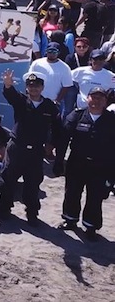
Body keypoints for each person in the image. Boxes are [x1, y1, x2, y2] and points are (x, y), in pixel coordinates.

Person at [0, 70, 62, 225]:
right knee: (8, 179)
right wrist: (8, 85)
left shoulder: (50, 106)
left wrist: (51, 143)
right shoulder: (21, 100)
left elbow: (57, 127)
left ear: (42, 87)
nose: (33, 89)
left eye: (37, 86)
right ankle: (4, 209)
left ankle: (32, 213)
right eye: (30, 85)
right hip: (17, 148)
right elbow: (10, 95)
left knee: (33, 183)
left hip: (35, 151)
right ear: (27, 87)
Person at [55, 87, 115, 240]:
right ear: (87, 98)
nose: (96, 101)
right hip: (77, 163)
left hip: (100, 166)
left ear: (105, 101)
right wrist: (59, 161)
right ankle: (70, 219)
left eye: (100, 98)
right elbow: (63, 139)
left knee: (95, 197)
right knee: (72, 192)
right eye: (93, 97)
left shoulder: (111, 120)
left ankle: (90, 226)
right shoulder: (77, 115)